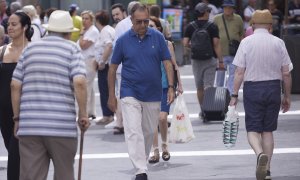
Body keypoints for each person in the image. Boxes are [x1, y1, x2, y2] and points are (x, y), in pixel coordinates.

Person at [10, 10, 90, 180]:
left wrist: (17, 119)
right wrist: (83, 114)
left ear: (49, 30)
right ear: (68, 32)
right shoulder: (72, 49)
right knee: (64, 174)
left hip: (30, 125)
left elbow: (15, 85)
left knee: (31, 176)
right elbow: (80, 82)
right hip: (62, 126)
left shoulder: (30, 48)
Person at [107, 3, 175, 180]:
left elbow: (168, 63)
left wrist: (171, 87)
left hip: (153, 93)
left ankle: (141, 161)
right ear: (131, 20)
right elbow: (112, 68)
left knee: (148, 131)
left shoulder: (158, 37)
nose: (143, 25)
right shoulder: (122, 41)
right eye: (139, 22)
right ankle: (140, 170)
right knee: (133, 130)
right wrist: (111, 96)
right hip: (129, 91)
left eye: (146, 21)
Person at [229, 10, 292, 180]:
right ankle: (268, 170)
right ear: (271, 26)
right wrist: (287, 96)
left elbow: (239, 73)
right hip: (273, 88)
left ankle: (259, 155)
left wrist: (234, 95)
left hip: (253, 89)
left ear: (253, 25)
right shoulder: (279, 43)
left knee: (253, 129)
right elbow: (286, 73)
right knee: (268, 130)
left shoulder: (246, 43)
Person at [0, 10, 32, 180]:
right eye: (8, 24)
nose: (9, 27)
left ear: (25, 27)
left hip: (24, 111)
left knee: (15, 153)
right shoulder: (2, 50)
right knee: (12, 149)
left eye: (14, 24)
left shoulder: (33, 50)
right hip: (3, 112)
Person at [147, 16, 183, 164]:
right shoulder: (143, 44)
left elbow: (174, 65)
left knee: (162, 117)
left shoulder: (167, 44)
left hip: (165, 86)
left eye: (151, 25)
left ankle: (165, 145)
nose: (148, 27)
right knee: (153, 120)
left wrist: (178, 84)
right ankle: (155, 150)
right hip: (149, 87)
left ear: (159, 28)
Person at [183, 2, 223, 118]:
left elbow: (185, 43)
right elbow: (216, 44)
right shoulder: (212, 26)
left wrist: (194, 47)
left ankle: (203, 110)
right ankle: (209, 110)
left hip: (196, 60)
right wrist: (220, 61)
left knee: (199, 88)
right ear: (205, 12)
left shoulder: (190, 26)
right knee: (209, 86)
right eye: (208, 11)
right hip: (210, 59)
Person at [107, 1, 139, 135]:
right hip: (138, 66)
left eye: (117, 14)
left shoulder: (120, 26)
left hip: (122, 66)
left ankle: (123, 123)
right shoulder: (142, 22)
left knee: (123, 95)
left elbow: (116, 47)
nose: (115, 17)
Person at [214, 0, 244, 95]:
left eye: (229, 7)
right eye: (225, 7)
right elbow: (213, 35)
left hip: (234, 52)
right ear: (223, 8)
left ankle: (230, 94)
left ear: (233, 9)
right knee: (220, 75)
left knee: (233, 75)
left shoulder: (238, 19)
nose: (227, 9)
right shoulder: (217, 19)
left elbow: (241, 34)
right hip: (220, 53)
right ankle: (219, 94)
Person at [94, 10, 115, 126]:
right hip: (110, 64)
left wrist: (102, 61)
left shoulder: (104, 32)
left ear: (97, 21)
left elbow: (109, 45)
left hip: (106, 65)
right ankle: (109, 114)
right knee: (108, 89)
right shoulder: (110, 29)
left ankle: (107, 115)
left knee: (104, 90)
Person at [78, 10, 99, 120]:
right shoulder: (88, 30)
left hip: (89, 61)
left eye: (86, 18)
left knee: (86, 87)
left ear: (91, 20)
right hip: (84, 61)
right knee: (89, 88)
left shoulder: (92, 31)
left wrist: (81, 34)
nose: (84, 21)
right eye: (83, 18)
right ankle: (91, 111)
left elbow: (83, 45)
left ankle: (84, 113)